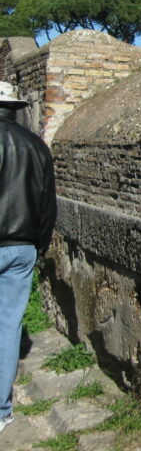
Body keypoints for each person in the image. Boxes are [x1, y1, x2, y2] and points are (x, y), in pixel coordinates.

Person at [0, 81, 56, 434]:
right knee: (8, 327)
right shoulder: (37, 146)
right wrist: (40, 246)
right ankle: (2, 409)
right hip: (22, 246)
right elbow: (48, 207)